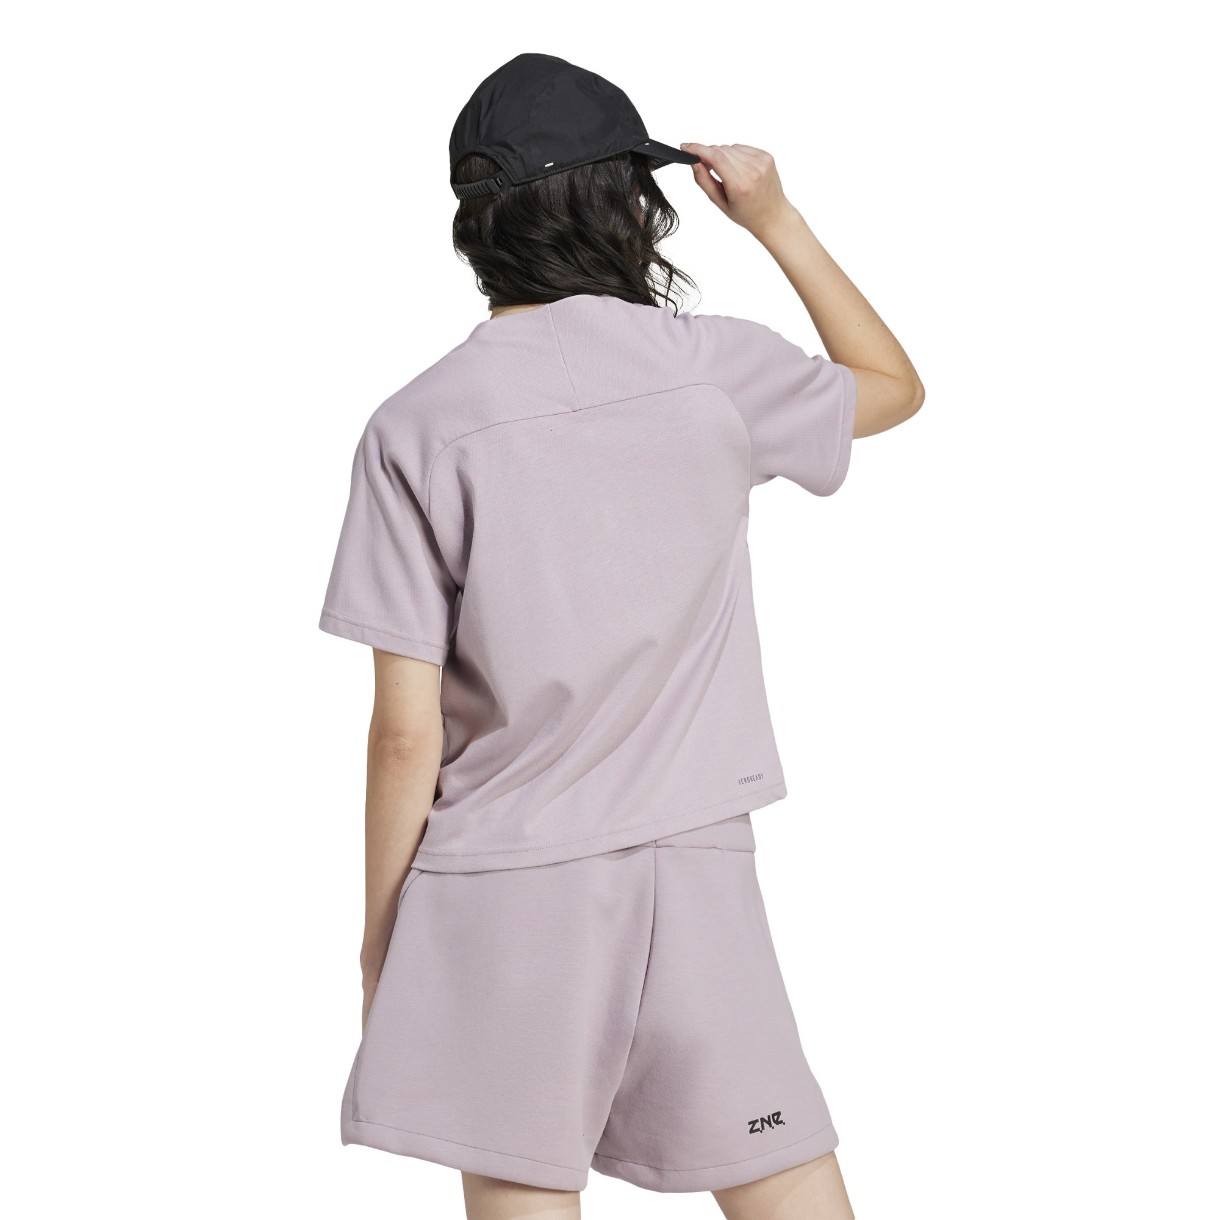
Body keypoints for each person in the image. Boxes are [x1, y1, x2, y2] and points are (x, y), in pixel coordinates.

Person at [319, 52, 923, 1220]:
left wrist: (381, 944)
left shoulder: (415, 426)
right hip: (693, 865)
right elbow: (888, 384)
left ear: (476, 223)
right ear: (626, 205)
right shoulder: (714, 370)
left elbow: (403, 733)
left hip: (501, 884)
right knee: (785, 1174)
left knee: (521, 1190)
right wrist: (775, 220)